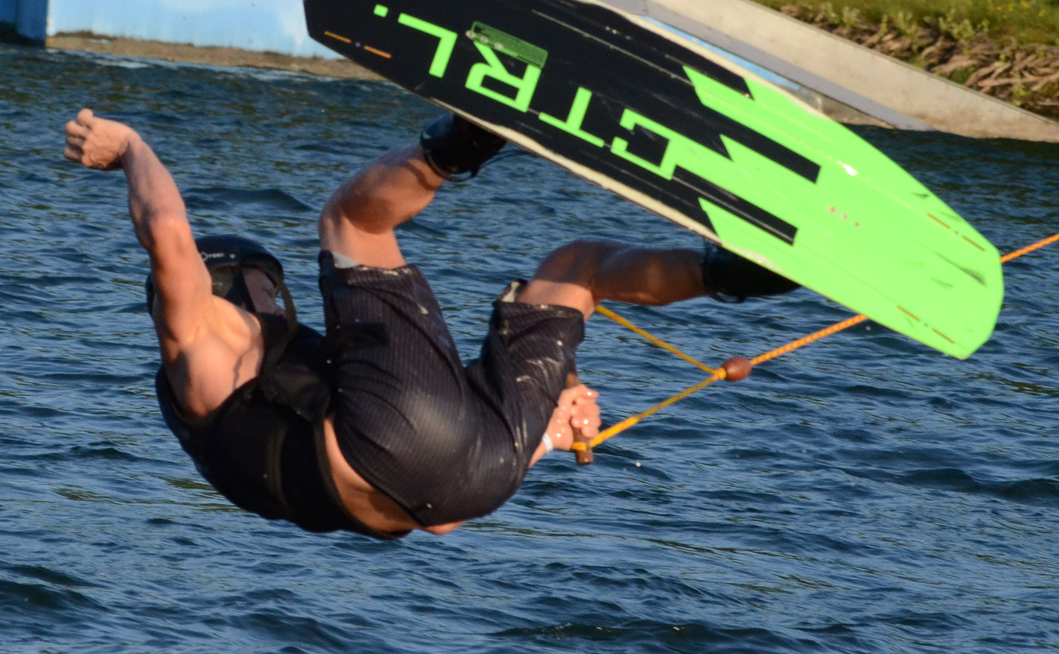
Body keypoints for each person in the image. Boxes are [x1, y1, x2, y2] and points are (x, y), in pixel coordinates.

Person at [63, 108, 797, 538]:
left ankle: (740, 274)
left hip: (474, 487)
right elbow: (164, 229)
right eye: (263, 283)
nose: (275, 298)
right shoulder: (204, 342)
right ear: (229, 285)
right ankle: (468, 139)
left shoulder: (244, 403)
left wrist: (541, 431)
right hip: (399, 440)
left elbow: (436, 511)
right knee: (347, 219)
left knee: (578, 270)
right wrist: (129, 147)